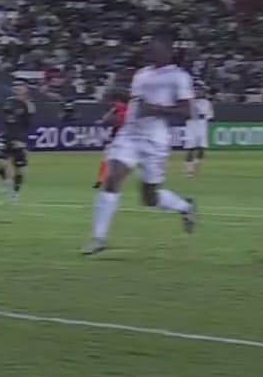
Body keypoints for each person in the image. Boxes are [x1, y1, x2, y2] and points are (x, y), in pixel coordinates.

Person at [83, 41, 196, 255]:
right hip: (130, 135)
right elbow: (137, 104)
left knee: (149, 198)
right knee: (112, 178)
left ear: (168, 51)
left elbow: (187, 111)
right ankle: (98, 238)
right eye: (148, 48)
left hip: (155, 141)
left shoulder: (179, 77)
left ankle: (185, 207)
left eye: (155, 46)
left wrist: (155, 109)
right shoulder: (142, 74)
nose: (149, 50)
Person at [0, 82, 34, 201]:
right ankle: (5, 181)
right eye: (16, 87)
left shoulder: (28, 104)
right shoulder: (9, 101)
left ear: (26, 90)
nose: (17, 88)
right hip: (6, 136)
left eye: (20, 87)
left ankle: (15, 192)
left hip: (19, 138)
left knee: (19, 168)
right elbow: (7, 113)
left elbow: (28, 121)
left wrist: (23, 140)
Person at [93, 88, 128, 189]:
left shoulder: (118, 107)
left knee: (107, 159)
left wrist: (101, 121)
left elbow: (108, 119)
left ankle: (100, 180)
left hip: (117, 135)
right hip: (128, 136)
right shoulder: (131, 107)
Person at [184, 87, 214, 177]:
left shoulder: (206, 103)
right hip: (191, 127)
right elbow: (185, 114)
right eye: (196, 91)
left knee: (202, 148)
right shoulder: (188, 102)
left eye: (200, 91)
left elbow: (210, 116)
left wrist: (205, 117)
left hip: (202, 126)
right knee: (190, 148)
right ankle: (189, 171)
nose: (198, 93)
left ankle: (195, 166)